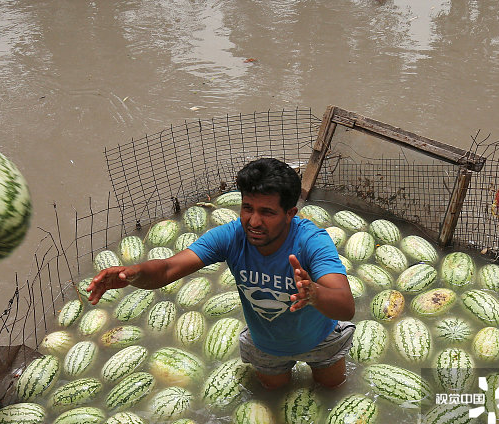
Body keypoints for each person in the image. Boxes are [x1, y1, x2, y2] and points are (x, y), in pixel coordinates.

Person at [87, 157, 355, 389]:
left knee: (332, 389)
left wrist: (315, 293)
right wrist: (133, 274)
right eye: (247, 208)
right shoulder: (230, 236)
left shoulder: (312, 241)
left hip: (320, 340)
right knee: (272, 394)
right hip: (266, 345)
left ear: (290, 214)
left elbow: (345, 306)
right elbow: (168, 268)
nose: (253, 221)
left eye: (267, 212)